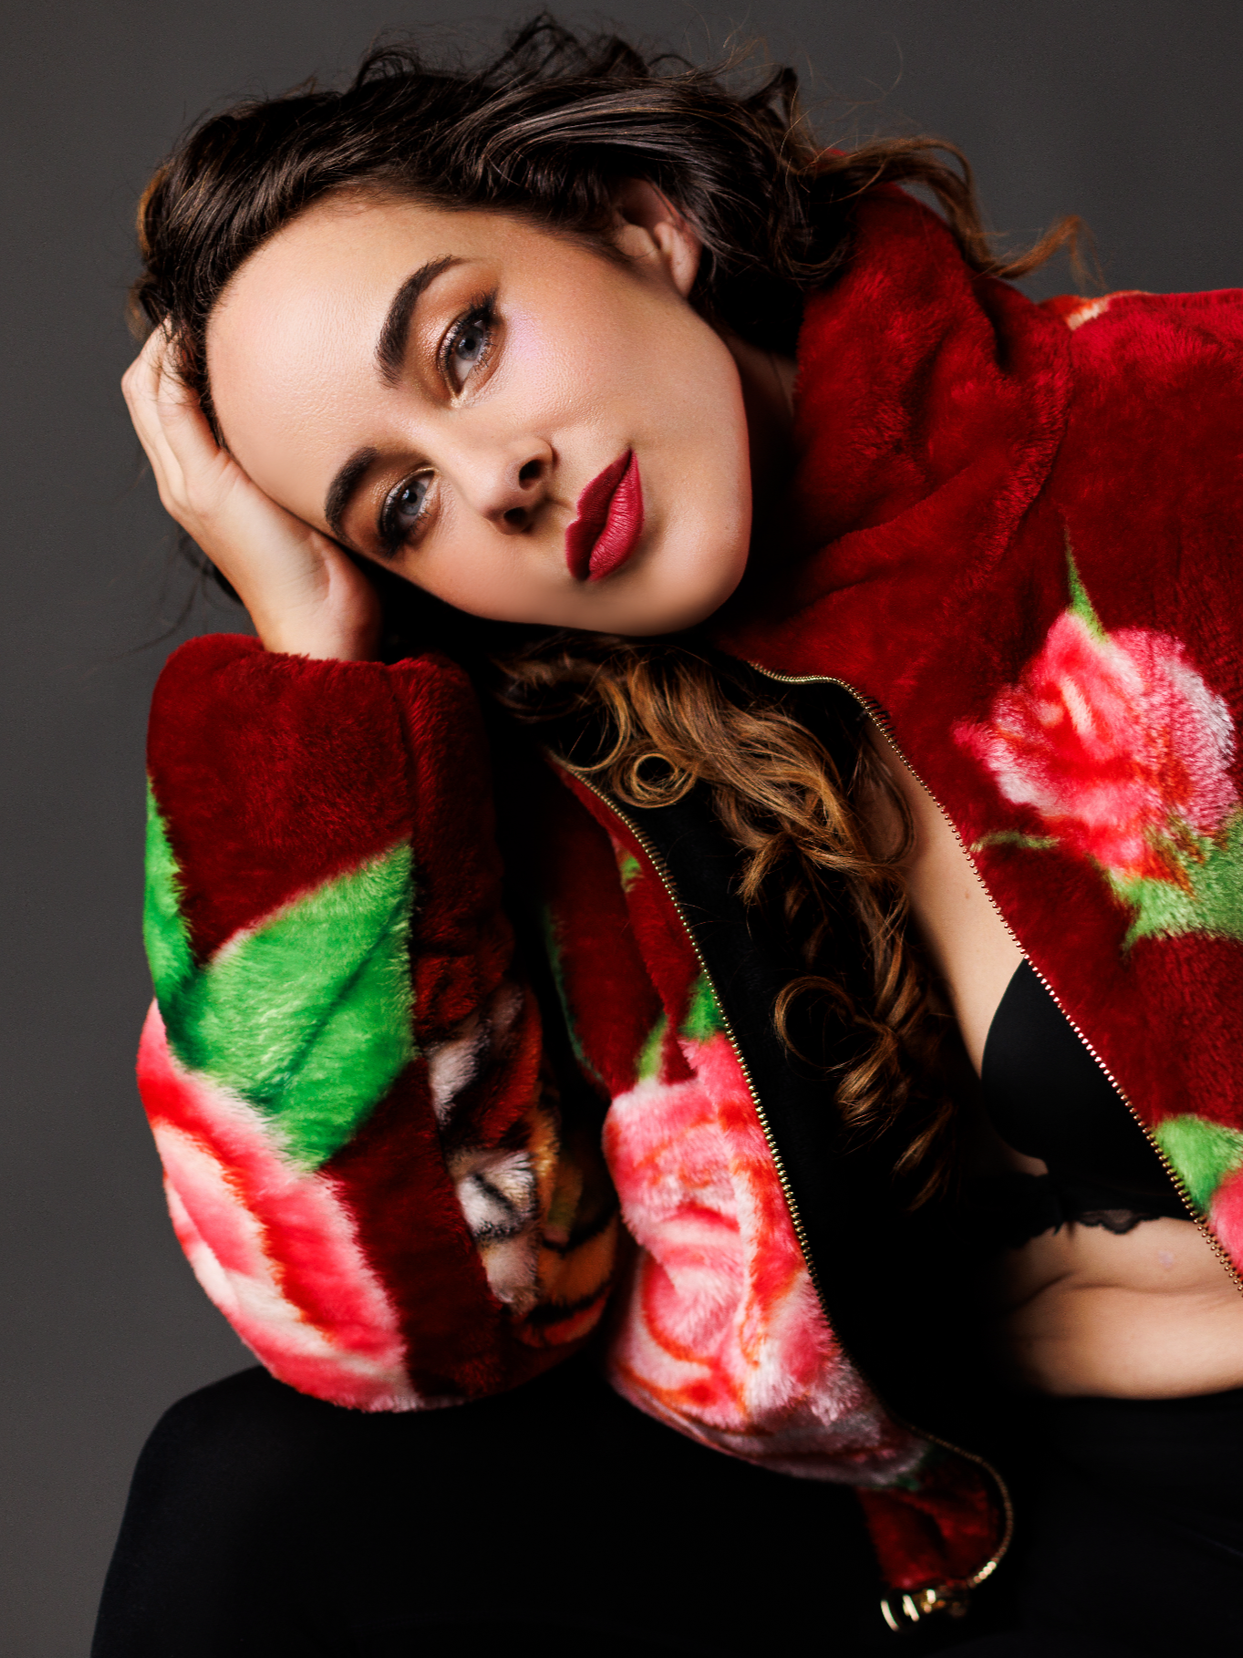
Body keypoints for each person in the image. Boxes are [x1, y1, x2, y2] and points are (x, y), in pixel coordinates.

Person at [95, 17, 1243, 1657]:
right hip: (973, 1532)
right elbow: (402, 1334)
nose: (493, 481)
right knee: (248, 1487)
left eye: (468, 343)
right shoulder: (565, 776)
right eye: (395, 506)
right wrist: (305, 670)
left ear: (638, 218)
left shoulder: (1186, 434)